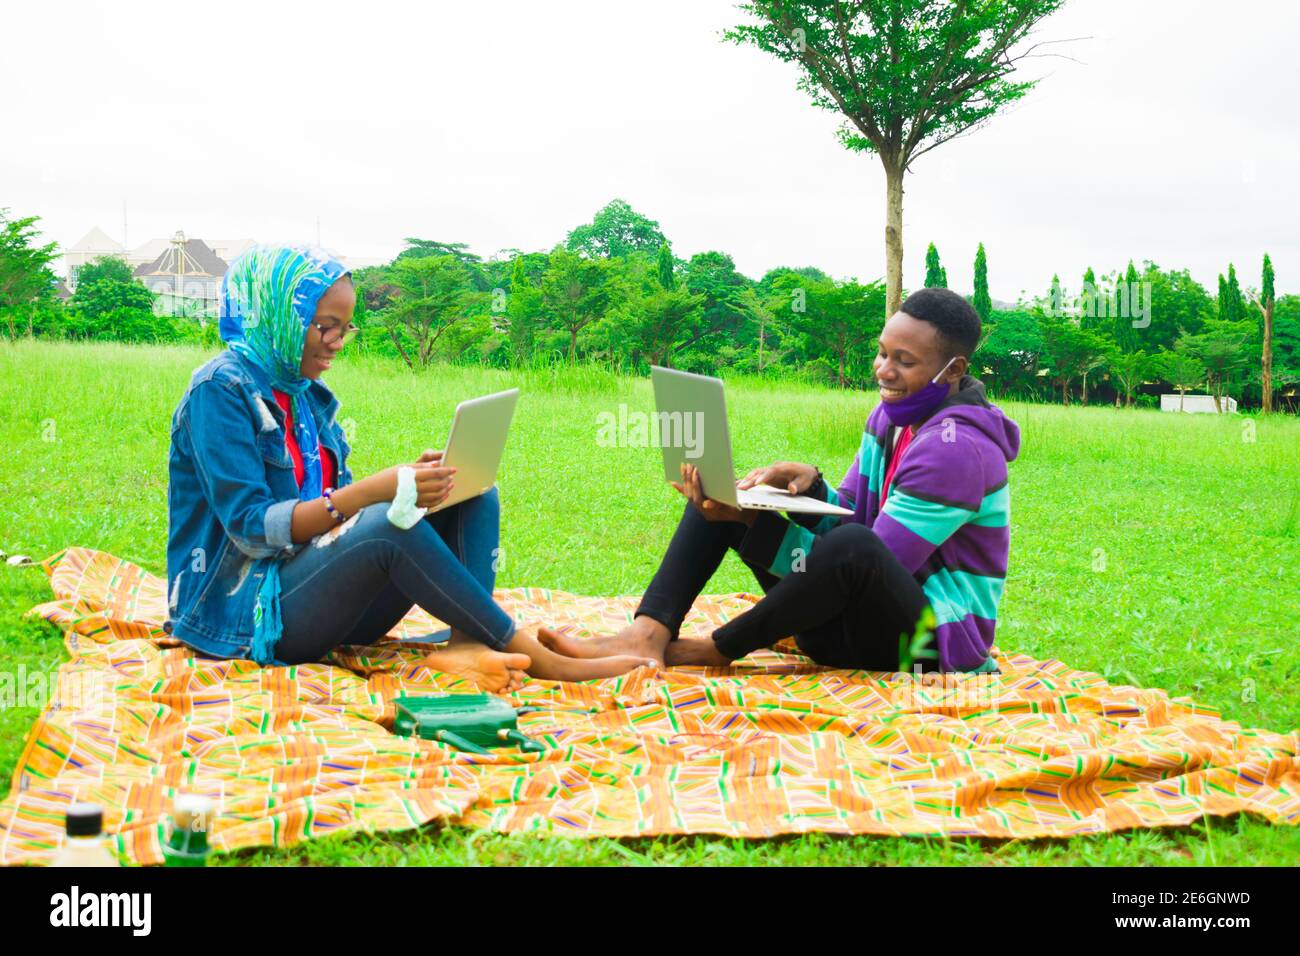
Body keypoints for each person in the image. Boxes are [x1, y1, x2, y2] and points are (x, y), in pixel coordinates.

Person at [165, 244, 652, 692]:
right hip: (251, 614)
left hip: (322, 604)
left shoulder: (303, 394)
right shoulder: (220, 391)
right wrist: (376, 494)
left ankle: (467, 645)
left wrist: (405, 487)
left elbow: (332, 517)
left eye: (345, 327)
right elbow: (253, 529)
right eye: (323, 326)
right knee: (385, 522)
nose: (336, 341)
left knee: (468, 490)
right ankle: (537, 658)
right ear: (277, 315)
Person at [541, 287, 1021, 674]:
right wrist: (808, 489)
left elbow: (865, 564)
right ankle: (648, 635)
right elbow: (852, 519)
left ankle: (718, 648)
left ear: (953, 369)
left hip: (922, 649)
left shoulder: (957, 449)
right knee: (725, 495)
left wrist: (757, 528)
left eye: (904, 361)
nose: (883, 371)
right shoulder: (891, 416)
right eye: (880, 354)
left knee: (848, 546)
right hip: (845, 622)